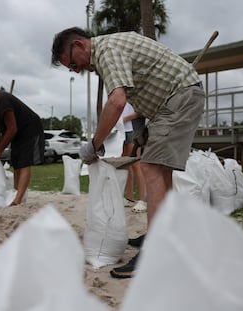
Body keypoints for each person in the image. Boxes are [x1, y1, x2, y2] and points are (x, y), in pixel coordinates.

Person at [51, 27, 205, 278]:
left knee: (151, 168)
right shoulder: (108, 50)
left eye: (72, 64)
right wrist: (141, 127)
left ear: (79, 45)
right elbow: (142, 88)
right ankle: (164, 231)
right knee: (160, 170)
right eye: (71, 69)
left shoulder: (106, 51)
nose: (76, 70)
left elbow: (117, 102)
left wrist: (94, 144)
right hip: (174, 99)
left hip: (180, 96)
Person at [121, 103, 147, 212]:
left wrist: (125, 119)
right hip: (121, 130)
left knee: (136, 164)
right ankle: (130, 198)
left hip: (133, 129)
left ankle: (143, 200)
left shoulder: (135, 92)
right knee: (125, 164)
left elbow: (142, 111)